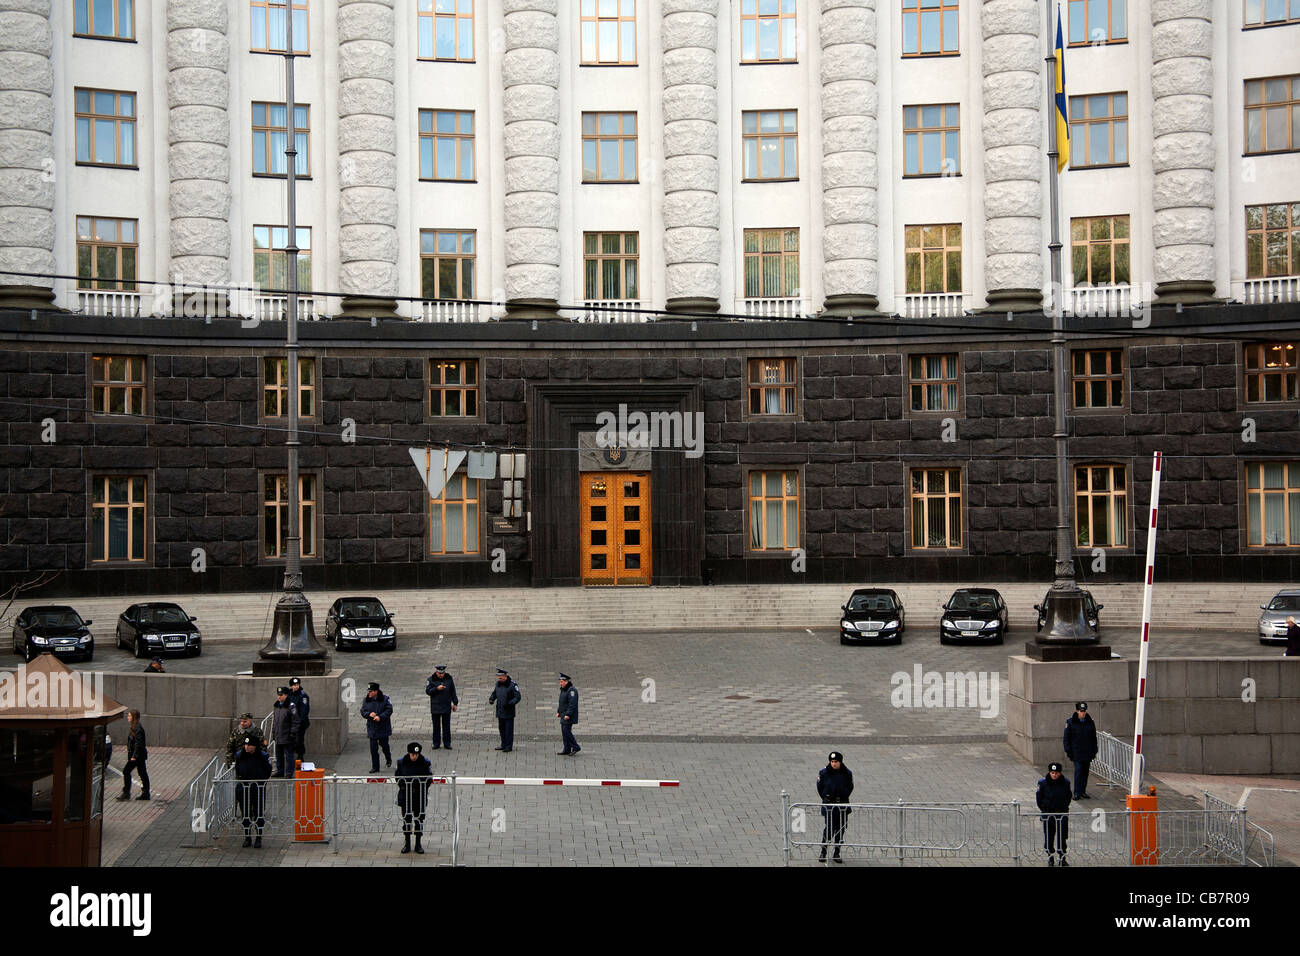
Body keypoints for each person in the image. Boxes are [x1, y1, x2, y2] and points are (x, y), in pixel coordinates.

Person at [233, 734, 272, 848]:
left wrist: (261, 782)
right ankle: (247, 837)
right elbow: (238, 770)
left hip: (257, 789)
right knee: (246, 814)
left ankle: (258, 837)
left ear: (255, 746)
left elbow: (267, 771)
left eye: (249, 745)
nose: (246, 747)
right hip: (244, 788)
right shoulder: (240, 755)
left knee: (259, 813)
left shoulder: (262, 756)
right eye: (245, 744)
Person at [394, 742, 434, 854]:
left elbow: (429, 779)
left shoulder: (425, 763)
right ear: (409, 753)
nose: (414, 756)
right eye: (412, 754)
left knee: (419, 820)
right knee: (407, 820)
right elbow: (397, 777)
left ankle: (418, 844)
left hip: (419, 796)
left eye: (416, 754)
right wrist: (405, 785)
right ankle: (407, 844)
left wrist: (421, 787)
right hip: (406, 795)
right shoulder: (401, 762)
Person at [817, 752, 853, 863]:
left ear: (840, 762)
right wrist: (825, 797)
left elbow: (850, 787)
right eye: (832, 762)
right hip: (829, 805)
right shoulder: (824, 773)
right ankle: (823, 851)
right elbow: (819, 786)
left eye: (836, 762)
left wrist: (843, 795)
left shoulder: (847, 773)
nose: (834, 764)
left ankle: (837, 852)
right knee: (829, 829)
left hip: (842, 805)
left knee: (841, 829)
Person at [1036, 761, 1073, 866]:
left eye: (1056, 773)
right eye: (1052, 773)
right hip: (1048, 814)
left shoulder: (1065, 782)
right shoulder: (1043, 783)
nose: (1054, 775)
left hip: (1061, 814)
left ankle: (1062, 858)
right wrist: (1044, 810)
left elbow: (1068, 796)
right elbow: (1039, 798)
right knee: (1049, 837)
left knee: (1062, 837)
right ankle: (1050, 857)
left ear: (1060, 773)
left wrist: (1064, 808)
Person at [1062, 701, 1098, 800]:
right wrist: (1068, 751)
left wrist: (1094, 751)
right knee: (1078, 772)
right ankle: (1077, 792)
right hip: (1076, 752)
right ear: (1077, 711)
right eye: (1081, 711)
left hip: (1087, 752)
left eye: (1084, 711)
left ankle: (1083, 791)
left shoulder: (1090, 722)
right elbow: (1066, 738)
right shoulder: (1070, 722)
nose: (1083, 713)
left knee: (1085, 772)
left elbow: (1093, 738)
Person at [117, 709, 150, 801]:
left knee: (126, 771)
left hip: (137, 756)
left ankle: (126, 793)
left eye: (129, 716)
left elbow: (138, 744)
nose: (128, 717)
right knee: (142, 773)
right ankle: (145, 793)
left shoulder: (137, 728)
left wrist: (134, 756)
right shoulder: (135, 727)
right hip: (139, 755)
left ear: (133, 717)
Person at [362, 682, 394, 772]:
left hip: (383, 727)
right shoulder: (366, 700)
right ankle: (375, 767)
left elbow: (389, 710)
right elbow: (363, 711)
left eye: (371, 691)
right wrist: (369, 714)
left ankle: (388, 758)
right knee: (373, 749)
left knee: (384, 746)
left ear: (376, 691)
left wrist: (380, 717)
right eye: (369, 691)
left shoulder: (385, 699)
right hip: (372, 728)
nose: (369, 693)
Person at [424, 666, 459, 750]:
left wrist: (455, 703)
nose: (441, 675)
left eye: (442, 673)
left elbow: (453, 691)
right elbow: (428, 691)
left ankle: (447, 743)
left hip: (446, 705)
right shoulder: (431, 679)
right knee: (436, 726)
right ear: (436, 672)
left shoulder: (449, 679)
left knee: (446, 726)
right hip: (436, 706)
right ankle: (436, 743)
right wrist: (436, 689)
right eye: (439, 673)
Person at [271, 686, 301, 778]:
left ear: (286, 695)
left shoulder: (291, 706)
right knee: (278, 755)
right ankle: (280, 771)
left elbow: (295, 721)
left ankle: (289, 772)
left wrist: (292, 733)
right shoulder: (277, 706)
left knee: (288, 755)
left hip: (287, 735)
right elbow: (275, 721)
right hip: (278, 735)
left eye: (281, 695)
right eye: (278, 695)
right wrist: (273, 732)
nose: (279, 697)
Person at [488, 668, 521, 752]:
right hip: (500, 710)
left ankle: (509, 746)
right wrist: (491, 699)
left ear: (505, 676)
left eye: (500, 677)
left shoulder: (512, 685)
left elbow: (517, 697)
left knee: (508, 730)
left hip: (509, 712)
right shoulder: (498, 684)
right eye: (498, 677)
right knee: (501, 729)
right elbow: (494, 693)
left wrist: (510, 703)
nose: (499, 679)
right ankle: (503, 744)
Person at [556, 673, 580, 756]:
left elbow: (572, 704)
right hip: (563, 714)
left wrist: (568, 714)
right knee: (564, 731)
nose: (560, 683)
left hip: (568, 716)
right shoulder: (564, 690)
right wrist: (558, 711)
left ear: (566, 682)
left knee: (566, 731)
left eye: (562, 682)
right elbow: (562, 702)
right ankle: (567, 749)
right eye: (560, 682)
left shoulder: (571, 690)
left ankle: (576, 747)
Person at [288, 677, 311, 763]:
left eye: (297, 685)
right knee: (292, 739)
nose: (296, 687)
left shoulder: (303, 695)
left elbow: (304, 710)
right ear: (291, 686)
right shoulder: (289, 694)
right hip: (291, 722)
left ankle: (300, 755)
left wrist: (299, 722)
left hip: (301, 722)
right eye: (294, 685)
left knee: (299, 740)